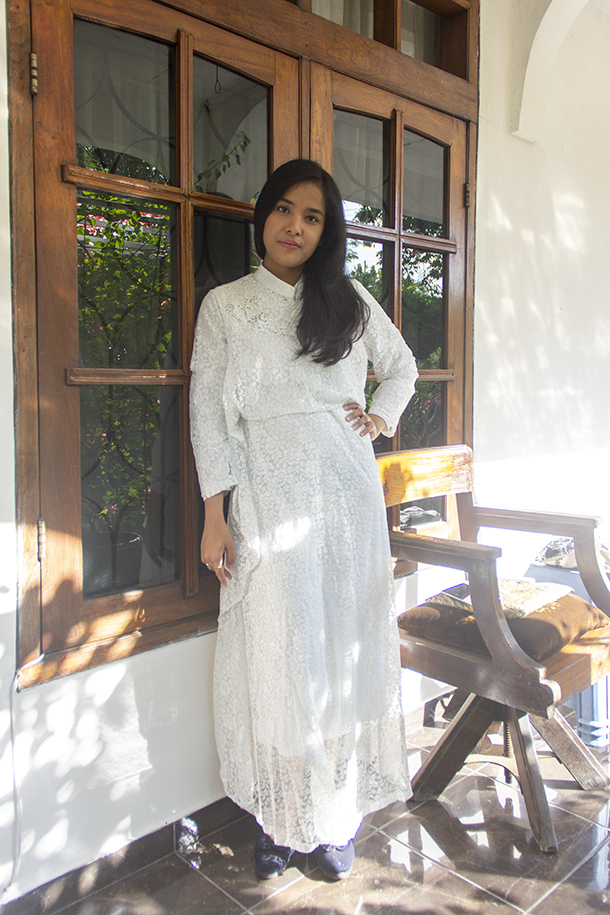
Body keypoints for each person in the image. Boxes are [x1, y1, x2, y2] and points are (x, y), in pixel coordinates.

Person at [190, 159, 418, 882]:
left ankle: (335, 814)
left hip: (347, 499)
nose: (295, 226)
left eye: (312, 216)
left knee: (343, 654)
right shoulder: (226, 306)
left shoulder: (347, 300)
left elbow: (403, 366)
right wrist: (214, 514)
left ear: (326, 232)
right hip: (267, 499)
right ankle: (283, 815)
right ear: (263, 215)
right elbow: (209, 414)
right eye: (284, 209)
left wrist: (379, 417)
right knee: (283, 655)